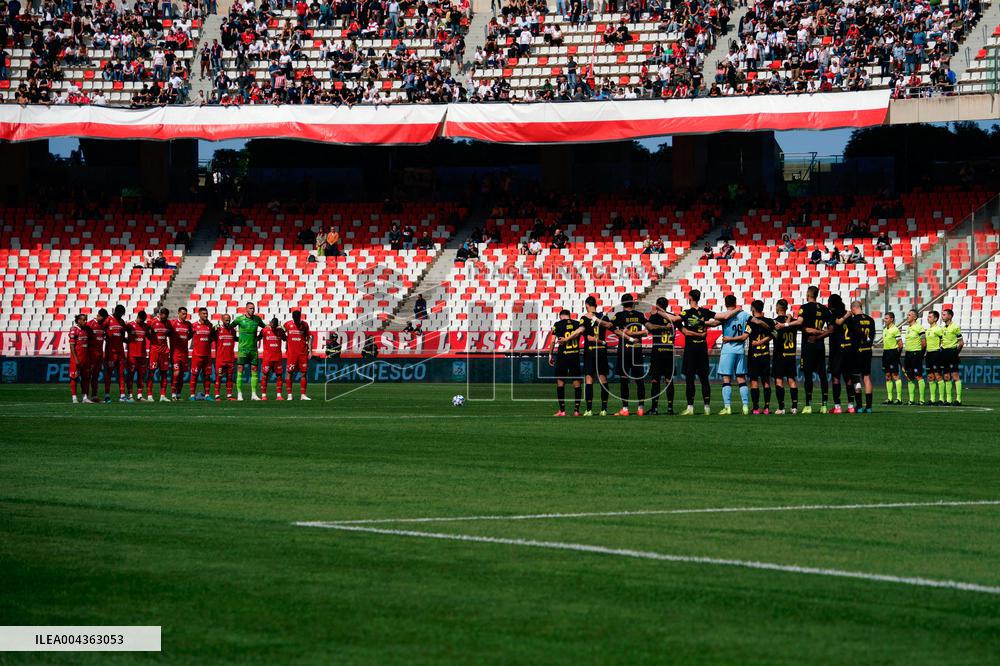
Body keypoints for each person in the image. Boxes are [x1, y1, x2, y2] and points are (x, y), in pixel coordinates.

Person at [781, 285, 832, 414]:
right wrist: (819, 334)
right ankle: (824, 405)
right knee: (822, 375)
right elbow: (831, 329)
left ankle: (808, 405)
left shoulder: (805, 307)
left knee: (808, 375)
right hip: (820, 345)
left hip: (808, 345)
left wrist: (786, 324)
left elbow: (799, 322)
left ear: (808, 295)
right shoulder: (824, 309)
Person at [711, 295, 750, 415]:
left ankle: (727, 407)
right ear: (735, 302)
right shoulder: (744, 315)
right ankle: (745, 406)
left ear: (725, 303)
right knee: (741, 378)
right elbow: (752, 324)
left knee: (726, 379)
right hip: (740, 350)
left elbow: (714, 324)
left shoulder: (725, 316)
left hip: (728, 349)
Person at [678, 289, 715, 416]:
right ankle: (707, 407)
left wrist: (682, 328)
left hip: (691, 348)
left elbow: (675, 319)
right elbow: (719, 319)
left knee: (690, 378)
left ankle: (690, 407)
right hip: (702, 348)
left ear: (690, 298)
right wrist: (704, 329)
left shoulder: (686, 312)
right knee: (704, 378)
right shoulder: (705, 312)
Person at [612, 293, 648, 416]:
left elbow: (615, 329)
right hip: (637, 350)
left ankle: (625, 409)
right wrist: (639, 333)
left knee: (624, 380)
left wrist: (629, 334)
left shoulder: (619, 315)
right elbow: (646, 331)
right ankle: (641, 408)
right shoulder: (640, 315)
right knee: (640, 380)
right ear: (632, 303)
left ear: (622, 303)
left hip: (625, 350)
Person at [580, 296, 613, 416]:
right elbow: (610, 325)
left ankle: (589, 410)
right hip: (601, 351)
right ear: (596, 305)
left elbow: (587, 336)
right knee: (603, 378)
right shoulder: (603, 317)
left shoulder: (584, 318)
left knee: (589, 379)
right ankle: (604, 409)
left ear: (586, 305)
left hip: (590, 351)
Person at [548, 309, 584, 416]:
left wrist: (550, 355)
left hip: (562, 356)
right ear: (569, 315)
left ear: (560, 316)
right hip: (574, 355)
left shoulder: (558, 324)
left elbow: (552, 341)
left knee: (560, 382)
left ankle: (562, 410)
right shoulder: (577, 323)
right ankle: (576, 411)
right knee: (577, 382)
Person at [646, 297, 677, 415]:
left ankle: (654, 408)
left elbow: (650, 328)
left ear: (657, 305)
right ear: (667, 305)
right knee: (669, 380)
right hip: (669, 351)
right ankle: (670, 408)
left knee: (655, 380)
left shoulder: (654, 317)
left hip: (658, 352)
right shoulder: (672, 316)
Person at [745, 300, 774, 415]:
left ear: (753, 309)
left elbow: (745, 334)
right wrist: (763, 341)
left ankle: (756, 408)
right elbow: (774, 334)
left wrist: (758, 342)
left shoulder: (750, 322)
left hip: (754, 356)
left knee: (754, 381)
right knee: (766, 381)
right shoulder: (769, 321)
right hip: (765, 355)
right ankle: (766, 408)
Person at [770, 299, 799, 414]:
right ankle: (794, 407)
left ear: (777, 308)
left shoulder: (774, 322)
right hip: (791, 355)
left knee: (779, 380)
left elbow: (774, 335)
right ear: (786, 308)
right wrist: (789, 317)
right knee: (791, 380)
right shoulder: (793, 322)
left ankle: (781, 408)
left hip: (779, 355)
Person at [828, 294, 856, 414]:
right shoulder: (849, 315)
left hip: (837, 350)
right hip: (849, 350)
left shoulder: (834, 314)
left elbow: (835, 325)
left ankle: (837, 406)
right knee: (848, 378)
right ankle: (851, 406)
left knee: (836, 378)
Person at [847, 301, 876, 413]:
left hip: (856, 351)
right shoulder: (870, 320)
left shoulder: (853, 320)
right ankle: (868, 407)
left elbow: (852, 336)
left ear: (853, 308)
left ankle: (859, 406)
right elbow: (872, 336)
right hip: (867, 350)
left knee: (856, 378)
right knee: (867, 377)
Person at [233, 303, 266, 401]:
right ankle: (239, 394)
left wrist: (259, 337)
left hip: (253, 349)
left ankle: (254, 394)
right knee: (240, 369)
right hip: (242, 349)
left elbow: (265, 328)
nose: (252, 310)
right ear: (246, 309)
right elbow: (230, 328)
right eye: (251, 308)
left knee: (254, 369)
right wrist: (236, 338)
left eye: (253, 308)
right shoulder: (239, 319)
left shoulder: (257, 319)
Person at [146, 308, 174, 402]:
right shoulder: (152, 322)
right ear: (160, 314)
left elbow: (171, 333)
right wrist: (151, 338)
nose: (164, 317)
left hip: (164, 351)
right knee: (151, 372)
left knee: (164, 373)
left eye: (166, 316)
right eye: (163, 315)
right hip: (154, 351)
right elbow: (145, 330)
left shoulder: (168, 323)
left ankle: (162, 396)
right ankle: (149, 395)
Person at [284, 309, 312, 400]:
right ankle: (289, 395)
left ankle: (303, 395)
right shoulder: (287, 324)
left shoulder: (305, 325)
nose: (296, 320)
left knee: (303, 373)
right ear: (292, 317)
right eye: (295, 318)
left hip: (302, 353)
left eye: (297, 318)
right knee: (289, 373)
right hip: (292, 354)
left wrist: (310, 351)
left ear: (300, 317)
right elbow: (280, 331)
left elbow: (309, 338)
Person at [103, 304, 128, 402]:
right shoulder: (108, 320)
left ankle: (122, 396)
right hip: (110, 352)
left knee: (121, 374)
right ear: (116, 312)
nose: (121, 316)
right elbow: (101, 330)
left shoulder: (122, 322)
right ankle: (107, 395)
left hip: (120, 352)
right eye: (120, 314)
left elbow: (122, 337)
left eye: (122, 314)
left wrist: (129, 341)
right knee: (108, 374)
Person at [189, 307, 215, 400]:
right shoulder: (194, 325)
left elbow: (212, 338)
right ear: (199, 314)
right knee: (194, 375)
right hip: (197, 355)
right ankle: (192, 396)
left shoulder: (210, 326)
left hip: (207, 355)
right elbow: (188, 336)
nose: (205, 315)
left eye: (206, 313)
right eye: (203, 313)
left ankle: (207, 395)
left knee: (207, 376)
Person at [902, 309, 927, 405]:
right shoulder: (908, 328)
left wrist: (921, 354)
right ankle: (911, 400)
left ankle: (922, 400)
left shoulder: (919, 328)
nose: (907, 316)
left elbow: (924, 343)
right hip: (908, 354)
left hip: (916, 353)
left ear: (915, 317)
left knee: (918, 376)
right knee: (909, 377)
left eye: (909, 315)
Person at [940, 308, 964, 406]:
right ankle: (948, 400)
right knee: (946, 376)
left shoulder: (955, 327)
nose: (942, 316)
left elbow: (961, 343)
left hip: (952, 352)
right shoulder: (943, 328)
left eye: (944, 315)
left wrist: (955, 353)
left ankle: (958, 399)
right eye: (942, 315)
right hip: (944, 353)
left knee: (955, 375)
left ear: (950, 316)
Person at [169, 306, 193, 400]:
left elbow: (191, 334)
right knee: (176, 372)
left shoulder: (188, 324)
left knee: (181, 375)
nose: (185, 315)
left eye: (186, 314)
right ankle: (173, 394)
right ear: (178, 313)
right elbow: (168, 333)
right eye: (183, 314)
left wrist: (186, 339)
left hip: (184, 353)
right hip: (175, 353)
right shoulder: (173, 323)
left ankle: (178, 395)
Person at [126, 311, 150, 402]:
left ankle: (139, 395)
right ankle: (130, 395)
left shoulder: (145, 326)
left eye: (143, 320)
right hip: (132, 355)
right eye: (141, 320)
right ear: (138, 317)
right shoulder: (130, 325)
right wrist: (127, 341)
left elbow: (150, 337)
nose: (142, 322)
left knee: (141, 375)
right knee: (131, 375)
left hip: (142, 355)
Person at [260, 318, 286, 401]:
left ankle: (279, 395)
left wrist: (284, 330)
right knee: (265, 375)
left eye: (275, 326)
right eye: (272, 325)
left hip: (277, 357)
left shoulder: (280, 331)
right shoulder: (264, 330)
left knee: (279, 375)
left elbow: (285, 338)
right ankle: (263, 395)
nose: (273, 328)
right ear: (270, 323)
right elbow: (258, 338)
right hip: (267, 357)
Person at [69, 313, 93, 404]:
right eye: (84, 320)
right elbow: (72, 347)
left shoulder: (86, 330)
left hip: (85, 359)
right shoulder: (74, 330)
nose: (85, 321)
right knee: (74, 378)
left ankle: (85, 397)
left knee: (85, 378)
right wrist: (76, 359)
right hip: (76, 359)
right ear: (79, 321)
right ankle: (74, 397)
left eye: (86, 320)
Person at [86, 309, 109, 402]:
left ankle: (94, 396)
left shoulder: (103, 325)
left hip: (99, 354)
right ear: (98, 316)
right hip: (91, 354)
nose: (104, 321)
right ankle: (85, 396)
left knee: (96, 376)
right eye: (103, 318)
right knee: (88, 375)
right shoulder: (90, 324)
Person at [881, 312, 903, 405]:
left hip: (893, 353)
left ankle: (899, 398)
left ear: (891, 319)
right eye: (884, 318)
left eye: (886, 318)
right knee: (887, 376)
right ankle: (889, 398)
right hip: (885, 353)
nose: (885, 320)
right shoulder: (885, 329)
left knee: (895, 375)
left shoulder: (895, 329)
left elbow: (900, 344)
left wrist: (897, 355)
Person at [214, 314, 238, 401]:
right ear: (222, 320)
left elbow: (236, 339)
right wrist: (213, 328)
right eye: (226, 320)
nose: (228, 322)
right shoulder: (217, 330)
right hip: (220, 358)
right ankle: (217, 395)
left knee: (230, 377)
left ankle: (229, 395)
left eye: (229, 320)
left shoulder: (233, 330)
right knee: (219, 377)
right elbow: (210, 336)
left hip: (230, 358)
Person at [924, 310, 944, 406]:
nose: (928, 318)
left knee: (938, 376)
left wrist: (940, 349)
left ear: (935, 318)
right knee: (930, 377)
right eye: (928, 317)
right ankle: (932, 399)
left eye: (930, 317)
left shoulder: (938, 329)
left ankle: (941, 399)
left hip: (936, 353)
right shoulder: (928, 330)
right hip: (928, 354)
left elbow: (943, 339)